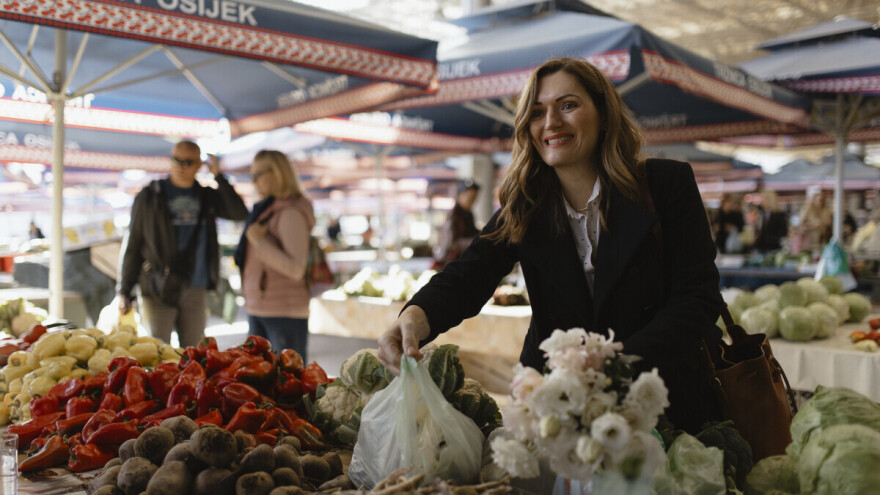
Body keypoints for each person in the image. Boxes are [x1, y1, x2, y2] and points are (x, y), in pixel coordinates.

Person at [378, 57, 723, 434]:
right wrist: (415, 315)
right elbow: (469, 275)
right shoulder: (527, 206)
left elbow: (697, 297)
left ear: (604, 114)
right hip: (560, 412)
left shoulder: (665, 184)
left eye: (568, 105)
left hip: (663, 403)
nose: (551, 123)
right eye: (537, 112)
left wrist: (615, 365)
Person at [118, 140, 247, 347]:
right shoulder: (150, 196)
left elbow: (239, 212)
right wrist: (125, 289)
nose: (180, 166)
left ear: (199, 165)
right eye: (176, 160)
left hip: (196, 286)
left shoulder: (206, 196)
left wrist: (218, 176)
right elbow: (133, 244)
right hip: (157, 285)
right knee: (158, 352)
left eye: (187, 162)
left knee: (194, 352)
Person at [234, 150, 314, 361]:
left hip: (283, 312)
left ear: (277, 173)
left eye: (257, 175)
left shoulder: (290, 213)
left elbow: (296, 268)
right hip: (262, 307)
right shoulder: (267, 210)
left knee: (289, 385)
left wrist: (259, 241)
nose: (253, 182)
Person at [432, 181, 481, 270]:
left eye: (474, 198)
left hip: (461, 262)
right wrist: (477, 240)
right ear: (460, 195)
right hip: (450, 264)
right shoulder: (454, 215)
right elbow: (452, 243)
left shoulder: (468, 213)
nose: (472, 201)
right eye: (470, 197)